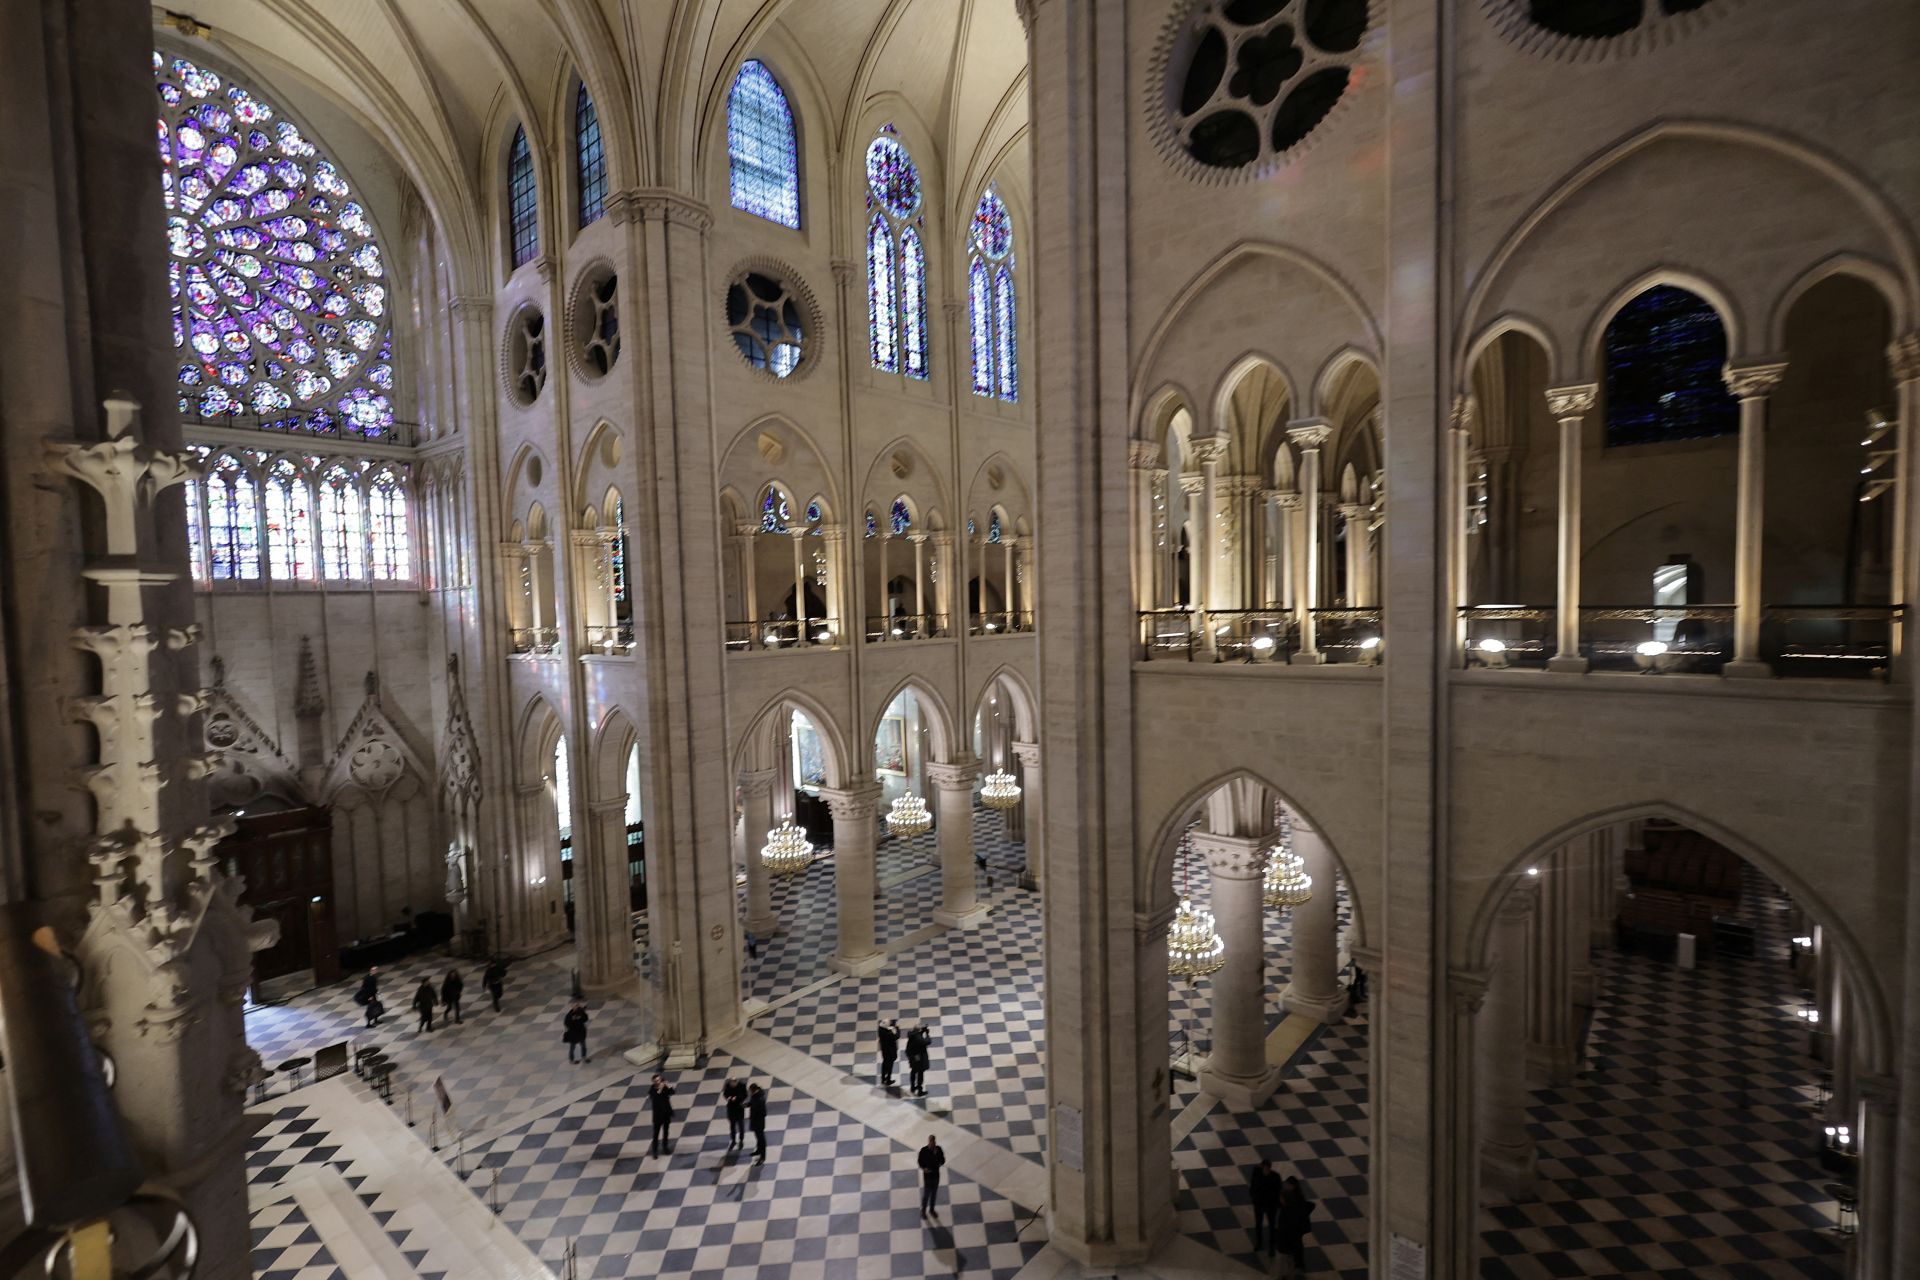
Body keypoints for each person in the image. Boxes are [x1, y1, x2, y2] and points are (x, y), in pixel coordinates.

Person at [1277, 1175, 1315, 1275]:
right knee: (1296, 1246)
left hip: (1294, 1229)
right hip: (1293, 1228)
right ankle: (1296, 1266)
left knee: (1294, 1248)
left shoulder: (1295, 1200)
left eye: (1287, 1184)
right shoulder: (1290, 1197)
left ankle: (1295, 1267)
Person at [1247, 1159, 1281, 1257]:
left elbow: (1278, 1191)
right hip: (1259, 1203)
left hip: (1270, 1205)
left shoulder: (1275, 1176)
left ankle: (1271, 1247)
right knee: (1258, 1224)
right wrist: (1253, 1196)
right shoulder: (1257, 1173)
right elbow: (1253, 1185)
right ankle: (1259, 1243)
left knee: (1271, 1225)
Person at [917, 1135, 946, 1220]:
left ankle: (931, 1210)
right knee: (926, 1194)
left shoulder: (938, 1149)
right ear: (928, 1142)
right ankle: (923, 1211)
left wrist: (937, 1156)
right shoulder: (924, 1150)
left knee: (934, 1194)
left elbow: (943, 1160)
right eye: (930, 1142)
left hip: (936, 1176)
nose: (932, 1143)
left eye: (933, 1142)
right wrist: (924, 1168)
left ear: (935, 1142)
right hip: (928, 1177)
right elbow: (920, 1161)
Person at [648, 1074, 675, 1156]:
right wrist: (660, 1088)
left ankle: (665, 1148)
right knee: (656, 1134)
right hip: (658, 1116)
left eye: (659, 1080)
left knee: (666, 1132)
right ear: (653, 1082)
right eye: (655, 1081)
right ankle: (655, 1151)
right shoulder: (652, 1090)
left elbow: (672, 1092)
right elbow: (655, 1097)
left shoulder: (664, 1087)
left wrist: (668, 1086)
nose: (657, 1082)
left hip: (666, 1114)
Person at [905, 1024, 932, 1096]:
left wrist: (922, 1031)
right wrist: (927, 1034)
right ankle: (920, 1091)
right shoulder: (918, 1038)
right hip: (918, 1057)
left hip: (913, 1056)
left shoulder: (912, 1035)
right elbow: (927, 1042)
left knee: (913, 1071)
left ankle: (912, 1087)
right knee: (920, 1073)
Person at [723, 1077, 747, 1150]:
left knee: (741, 1126)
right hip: (731, 1108)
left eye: (734, 1083)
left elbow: (745, 1095)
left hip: (739, 1108)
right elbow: (725, 1094)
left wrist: (736, 1098)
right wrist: (728, 1098)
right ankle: (733, 1140)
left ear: (736, 1082)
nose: (732, 1085)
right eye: (731, 1083)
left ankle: (741, 1140)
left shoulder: (742, 1086)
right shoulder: (727, 1085)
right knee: (732, 1126)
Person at [747, 1083, 767, 1164]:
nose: (749, 1092)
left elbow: (763, 1112)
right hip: (755, 1120)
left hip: (759, 1122)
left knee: (761, 1139)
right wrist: (748, 1105)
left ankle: (763, 1156)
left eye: (750, 1091)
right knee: (758, 1137)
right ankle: (758, 1150)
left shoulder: (760, 1099)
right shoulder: (755, 1096)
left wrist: (755, 1117)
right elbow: (752, 1103)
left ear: (753, 1090)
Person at [878, 1019, 900, 1087]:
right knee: (890, 1066)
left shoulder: (880, 1029)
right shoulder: (888, 1034)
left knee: (884, 1064)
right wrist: (897, 1028)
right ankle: (888, 1080)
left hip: (884, 1050)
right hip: (890, 1052)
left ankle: (883, 1078)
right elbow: (897, 1036)